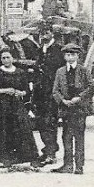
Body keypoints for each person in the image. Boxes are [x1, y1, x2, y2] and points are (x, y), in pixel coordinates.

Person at [0, 48, 41, 169]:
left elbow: (27, 90)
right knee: (5, 130)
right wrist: (4, 90)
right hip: (2, 106)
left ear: (13, 58)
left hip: (16, 105)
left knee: (23, 129)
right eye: (3, 58)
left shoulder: (20, 72)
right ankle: (6, 158)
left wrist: (21, 93)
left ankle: (29, 157)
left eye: (8, 57)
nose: (6, 60)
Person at [51, 42, 94, 174]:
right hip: (66, 110)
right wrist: (63, 100)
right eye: (67, 55)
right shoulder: (60, 72)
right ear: (64, 57)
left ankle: (79, 166)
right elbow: (55, 90)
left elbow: (91, 87)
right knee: (66, 137)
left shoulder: (83, 70)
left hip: (80, 109)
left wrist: (79, 98)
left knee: (79, 137)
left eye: (73, 55)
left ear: (77, 56)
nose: (70, 57)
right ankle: (68, 165)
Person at [34, 23, 65, 164]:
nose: (44, 36)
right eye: (42, 33)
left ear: (52, 33)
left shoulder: (59, 50)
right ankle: (48, 149)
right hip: (40, 92)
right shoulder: (41, 50)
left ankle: (51, 153)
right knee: (41, 122)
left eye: (46, 32)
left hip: (52, 93)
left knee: (50, 122)